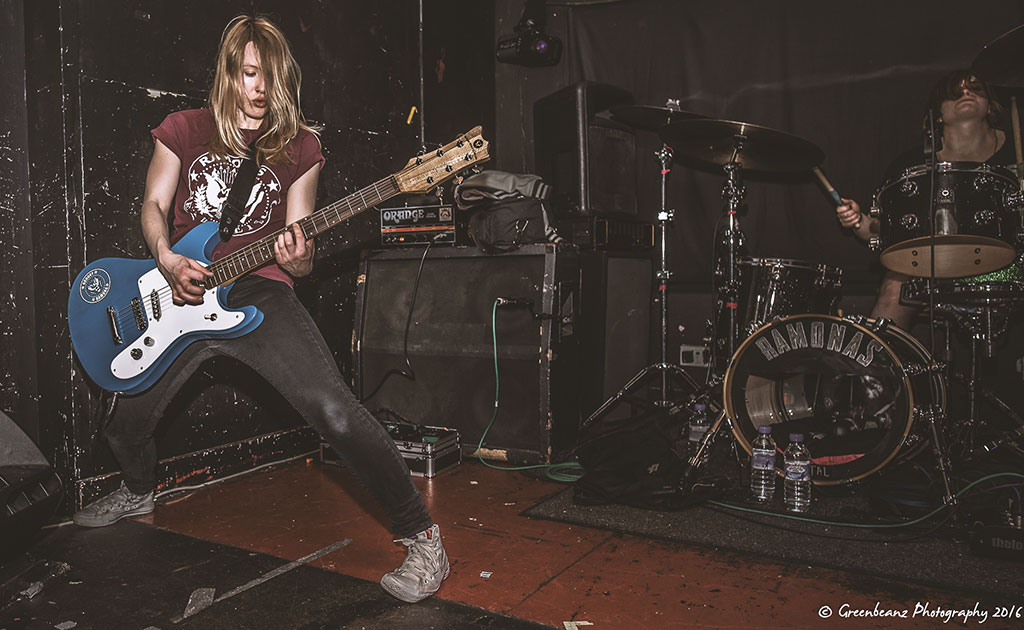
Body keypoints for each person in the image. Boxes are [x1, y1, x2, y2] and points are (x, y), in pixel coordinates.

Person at [72, 15, 449, 604]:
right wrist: (169, 260)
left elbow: (301, 251)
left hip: (256, 290)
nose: (259, 90)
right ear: (228, 74)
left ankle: (422, 534)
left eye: (270, 78)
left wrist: (299, 257)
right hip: (178, 291)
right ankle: (138, 490)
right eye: (249, 75)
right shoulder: (183, 129)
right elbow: (152, 203)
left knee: (335, 409)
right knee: (125, 422)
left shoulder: (300, 145)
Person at [836, 70, 1014, 331]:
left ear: (990, 106)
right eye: (955, 92)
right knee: (894, 285)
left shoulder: (1018, 151)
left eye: (976, 89)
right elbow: (879, 231)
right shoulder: (913, 165)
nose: (966, 94)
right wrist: (858, 220)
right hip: (935, 263)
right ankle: (876, 368)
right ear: (938, 114)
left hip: (1009, 258)